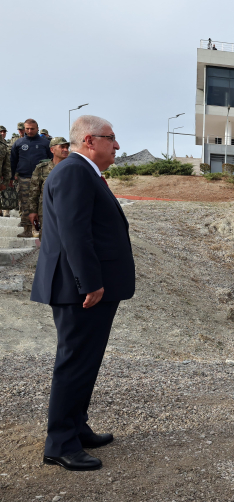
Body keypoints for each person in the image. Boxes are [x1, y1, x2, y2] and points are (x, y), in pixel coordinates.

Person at [31, 115, 135, 471]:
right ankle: (60, 443)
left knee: (85, 361)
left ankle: (75, 427)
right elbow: (75, 233)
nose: (117, 146)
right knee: (74, 363)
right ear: (90, 140)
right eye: (112, 138)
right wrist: (89, 282)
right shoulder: (75, 171)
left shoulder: (81, 170)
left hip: (86, 287)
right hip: (81, 289)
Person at [10, 119, 52, 237]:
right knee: (25, 205)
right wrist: (11, 177)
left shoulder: (45, 143)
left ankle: (42, 230)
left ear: (37, 128)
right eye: (27, 128)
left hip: (43, 179)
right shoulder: (18, 143)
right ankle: (27, 230)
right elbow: (13, 161)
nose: (29, 131)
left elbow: (52, 160)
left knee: (42, 204)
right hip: (24, 178)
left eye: (32, 128)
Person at [28, 137, 70, 239]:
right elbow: (34, 192)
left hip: (67, 210)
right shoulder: (41, 168)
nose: (65, 150)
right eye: (62, 147)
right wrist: (33, 211)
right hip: (46, 211)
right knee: (47, 240)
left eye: (67, 147)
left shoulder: (72, 167)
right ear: (52, 150)